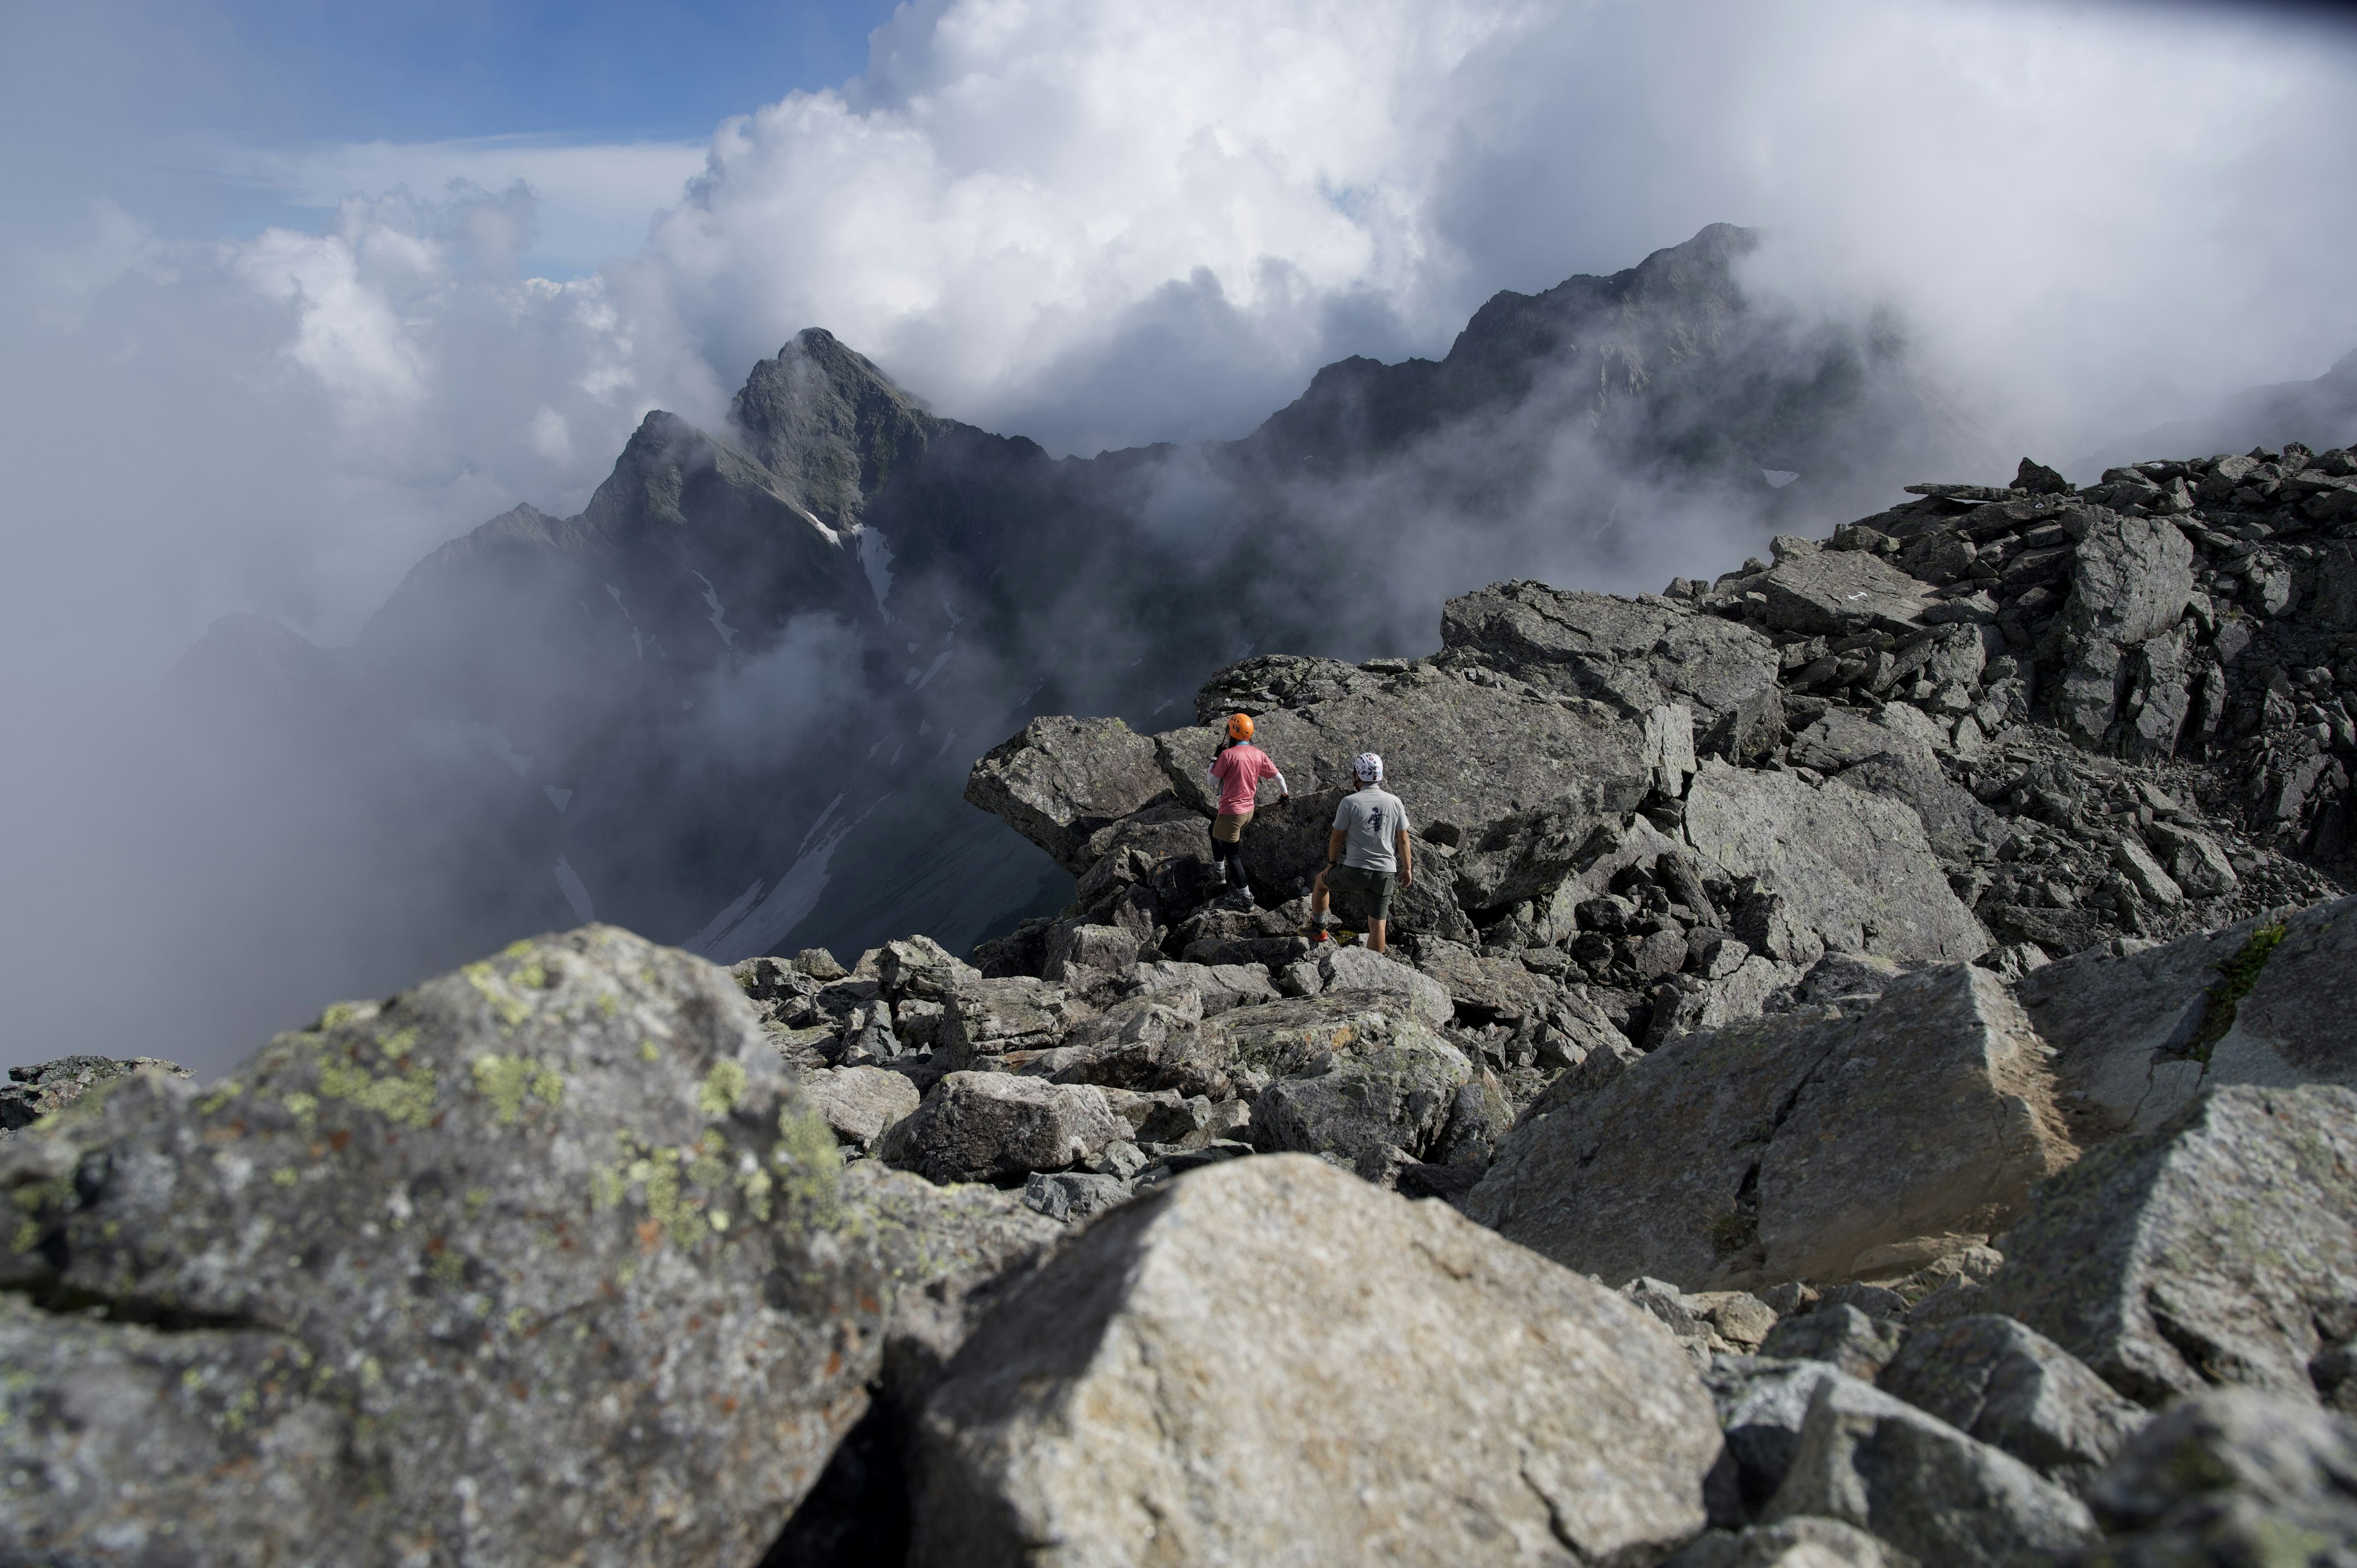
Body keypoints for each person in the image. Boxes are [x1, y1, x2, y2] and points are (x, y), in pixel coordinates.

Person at [1309, 751, 1413, 952]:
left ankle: (1318, 928)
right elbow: (1403, 839)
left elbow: (1337, 837)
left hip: (1356, 870)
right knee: (1378, 926)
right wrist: (1407, 868)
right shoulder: (1395, 802)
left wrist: (1331, 863)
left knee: (1321, 882)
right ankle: (1376, 967)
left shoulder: (1350, 802)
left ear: (1358, 775)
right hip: (1385, 873)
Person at [1207, 713, 1287, 903]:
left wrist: (1213, 760)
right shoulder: (1258, 754)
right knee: (1213, 829)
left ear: (1232, 732)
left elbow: (1211, 781)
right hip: (1248, 811)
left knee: (1233, 856)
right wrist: (1285, 796)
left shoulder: (1227, 755)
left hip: (1232, 813)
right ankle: (1218, 870)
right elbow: (1279, 777)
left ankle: (1244, 897)